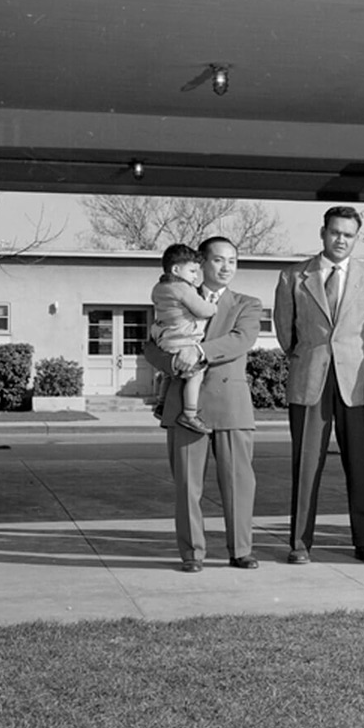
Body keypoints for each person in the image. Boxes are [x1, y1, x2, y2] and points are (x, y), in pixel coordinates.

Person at [274, 205, 364, 565]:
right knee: (306, 463)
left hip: (355, 384)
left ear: (357, 238)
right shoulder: (293, 276)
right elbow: (284, 330)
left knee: (359, 464)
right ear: (323, 233)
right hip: (310, 379)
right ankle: (300, 543)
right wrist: (310, 356)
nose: (341, 240)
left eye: (349, 235)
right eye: (335, 232)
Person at [144, 236, 261, 573]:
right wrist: (172, 363)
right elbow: (152, 345)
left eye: (233, 261)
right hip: (183, 403)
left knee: (239, 482)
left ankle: (241, 550)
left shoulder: (246, 303)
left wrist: (198, 352)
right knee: (187, 485)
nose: (227, 268)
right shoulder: (173, 296)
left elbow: (242, 339)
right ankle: (192, 553)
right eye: (219, 260)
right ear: (201, 264)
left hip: (231, 404)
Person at [149, 242, 220, 435]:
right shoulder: (181, 288)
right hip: (183, 339)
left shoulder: (159, 288)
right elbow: (202, 310)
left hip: (166, 339)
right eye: (192, 271)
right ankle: (189, 414)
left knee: (168, 374)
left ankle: (161, 404)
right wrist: (214, 306)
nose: (196, 276)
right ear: (176, 269)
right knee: (196, 374)